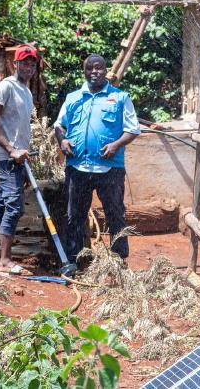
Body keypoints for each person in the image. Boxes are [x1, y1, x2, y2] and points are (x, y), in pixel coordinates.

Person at [54, 54, 140, 262]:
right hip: (78, 168)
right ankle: (75, 261)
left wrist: (116, 145)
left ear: (105, 70)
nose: (94, 72)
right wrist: (62, 142)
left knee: (115, 215)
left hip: (110, 169)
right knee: (75, 216)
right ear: (84, 72)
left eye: (99, 68)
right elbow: (59, 125)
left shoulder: (120, 97)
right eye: (90, 68)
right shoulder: (73, 97)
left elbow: (133, 129)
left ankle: (119, 262)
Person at [0, 45, 38, 274]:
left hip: (17, 159)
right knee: (14, 206)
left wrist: (22, 156)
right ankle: (5, 261)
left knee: (1, 203)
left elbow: (19, 128)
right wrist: (12, 150)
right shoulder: (6, 87)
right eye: (25, 63)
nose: (29, 68)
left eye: (32, 64)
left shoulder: (27, 91)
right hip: (6, 157)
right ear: (15, 64)